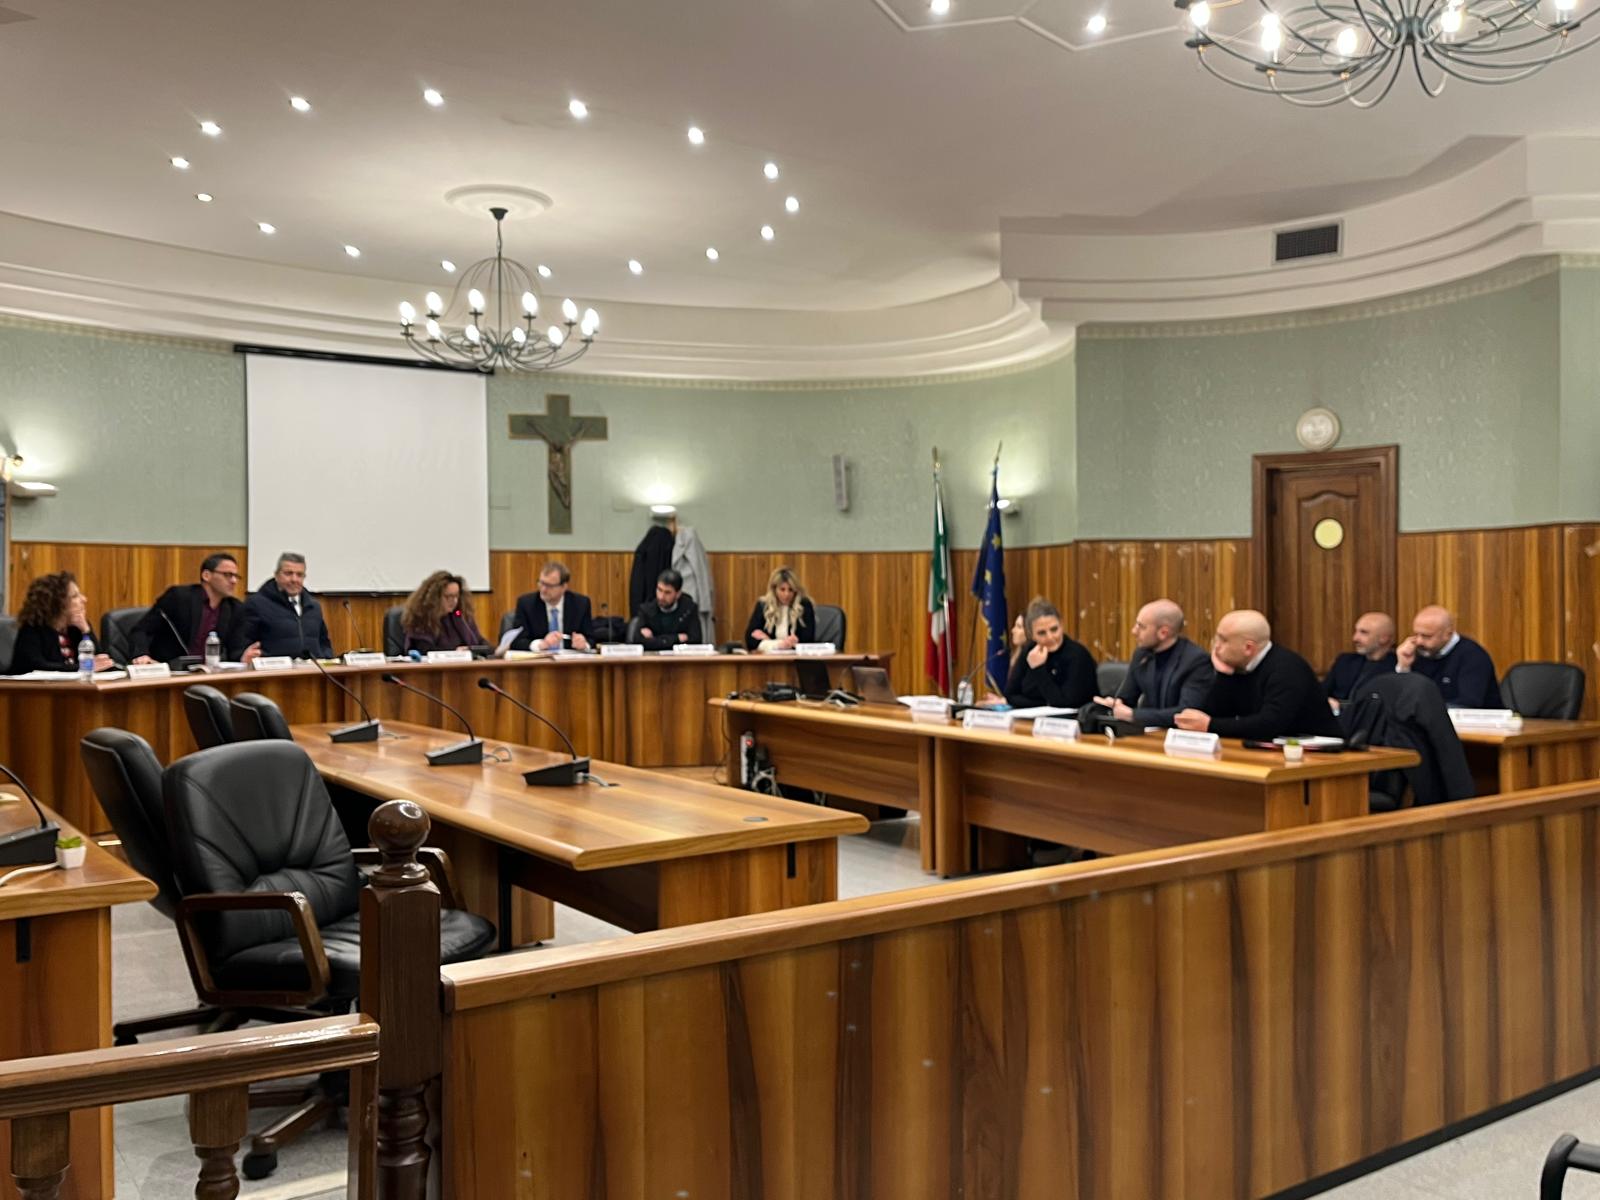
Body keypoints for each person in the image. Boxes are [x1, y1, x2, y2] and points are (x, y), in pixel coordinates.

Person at [1174, 609, 1343, 740]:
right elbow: (1216, 714)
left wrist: (1210, 725)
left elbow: (1270, 724)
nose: (1216, 646)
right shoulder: (1237, 667)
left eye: (1223, 640)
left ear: (1248, 648)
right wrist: (1224, 676)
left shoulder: (1287, 669)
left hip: (1319, 755)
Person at [1093, 598, 1213, 728]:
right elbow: (1127, 697)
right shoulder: (1141, 654)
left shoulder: (1196, 661)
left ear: (1163, 633)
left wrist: (1134, 715)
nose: (1134, 631)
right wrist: (1116, 704)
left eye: (1141, 627)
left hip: (1181, 735)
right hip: (1148, 732)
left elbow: (1186, 714)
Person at [130, 552, 256, 664]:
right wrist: (142, 655)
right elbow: (142, 630)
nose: (234, 581)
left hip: (209, 672)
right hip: (171, 669)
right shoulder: (178, 598)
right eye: (227, 575)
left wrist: (243, 656)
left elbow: (235, 647)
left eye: (236, 576)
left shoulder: (235, 608)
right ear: (206, 575)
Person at [1395, 605, 1502, 709]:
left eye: (1426, 636)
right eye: (1416, 634)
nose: (1418, 641)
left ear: (1448, 634)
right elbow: (1403, 700)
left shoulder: (1473, 656)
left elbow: (1468, 703)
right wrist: (1404, 667)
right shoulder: (1417, 652)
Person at [7, 572, 115, 674]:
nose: (84, 599)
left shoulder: (76, 628)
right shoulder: (32, 629)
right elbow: (37, 666)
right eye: (75, 596)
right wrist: (80, 667)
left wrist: (86, 631)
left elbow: (101, 664)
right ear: (57, 603)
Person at [1003, 597, 1097, 709]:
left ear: (1061, 625)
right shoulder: (1030, 651)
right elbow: (1010, 695)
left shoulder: (1077, 655)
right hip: (1035, 716)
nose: (1050, 637)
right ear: (1031, 635)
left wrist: (1039, 669)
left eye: (1054, 629)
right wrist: (1042, 704)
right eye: (1042, 633)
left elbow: (1065, 702)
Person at [239, 552, 333, 659]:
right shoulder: (256, 604)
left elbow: (324, 642)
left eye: (299, 575)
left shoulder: (314, 606)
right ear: (276, 575)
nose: (294, 579)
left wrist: (326, 657)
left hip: (312, 668)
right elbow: (243, 644)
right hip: (274, 668)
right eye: (288, 573)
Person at [510, 561, 593, 651]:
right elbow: (516, 642)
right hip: (540, 658)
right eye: (541, 583)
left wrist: (584, 644)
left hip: (570, 658)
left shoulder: (580, 604)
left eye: (549, 586)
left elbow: (591, 638)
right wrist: (541, 644)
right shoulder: (526, 604)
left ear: (564, 587)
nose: (543, 589)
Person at [1323, 611, 1398, 711]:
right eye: (1356, 631)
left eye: (1364, 632)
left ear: (1384, 638)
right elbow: (1321, 693)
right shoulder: (1345, 661)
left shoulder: (1397, 666)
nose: (1355, 638)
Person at [400, 570, 484, 655]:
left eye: (456, 596)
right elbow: (424, 650)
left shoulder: (459, 615)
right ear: (434, 597)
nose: (454, 601)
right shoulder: (422, 617)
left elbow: (480, 642)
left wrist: (483, 649)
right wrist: (455, 652)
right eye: (448, 596)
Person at [744, 567, 817, 651]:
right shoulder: (763, 606)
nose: (786, 594)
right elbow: (750, 640)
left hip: (795, 657)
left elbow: (808, 640)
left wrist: (769, 642)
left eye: (790, 590)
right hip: (769, 657)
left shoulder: (804, 606)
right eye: (782, 589)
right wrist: (778, 644)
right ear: (774, 589)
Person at [631, 569, 702, 650]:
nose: (661, 597)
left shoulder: (689, 609)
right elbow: (638, 641)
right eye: (659, 590)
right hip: (653, 656)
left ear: (678, 594)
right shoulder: (646, 609)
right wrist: (677, 638)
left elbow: (696, 640)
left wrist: (655, 640)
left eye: (667, 592)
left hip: (680, 657)